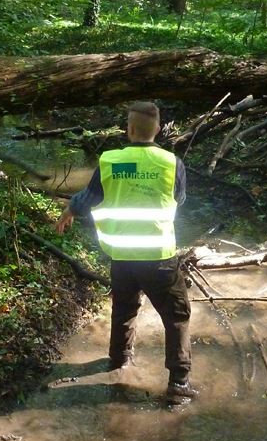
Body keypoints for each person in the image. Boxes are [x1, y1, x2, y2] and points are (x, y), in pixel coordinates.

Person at [54, 101, 196, 405]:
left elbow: (88, 198)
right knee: (176, 316)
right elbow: (180, 199)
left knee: (124, 309)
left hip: (121, 255)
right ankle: (179, 383)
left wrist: (68, 211)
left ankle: (119, 361)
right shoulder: (171, 163)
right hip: (158, 257)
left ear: (129, 129)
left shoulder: (110, 161)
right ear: (158, 130)